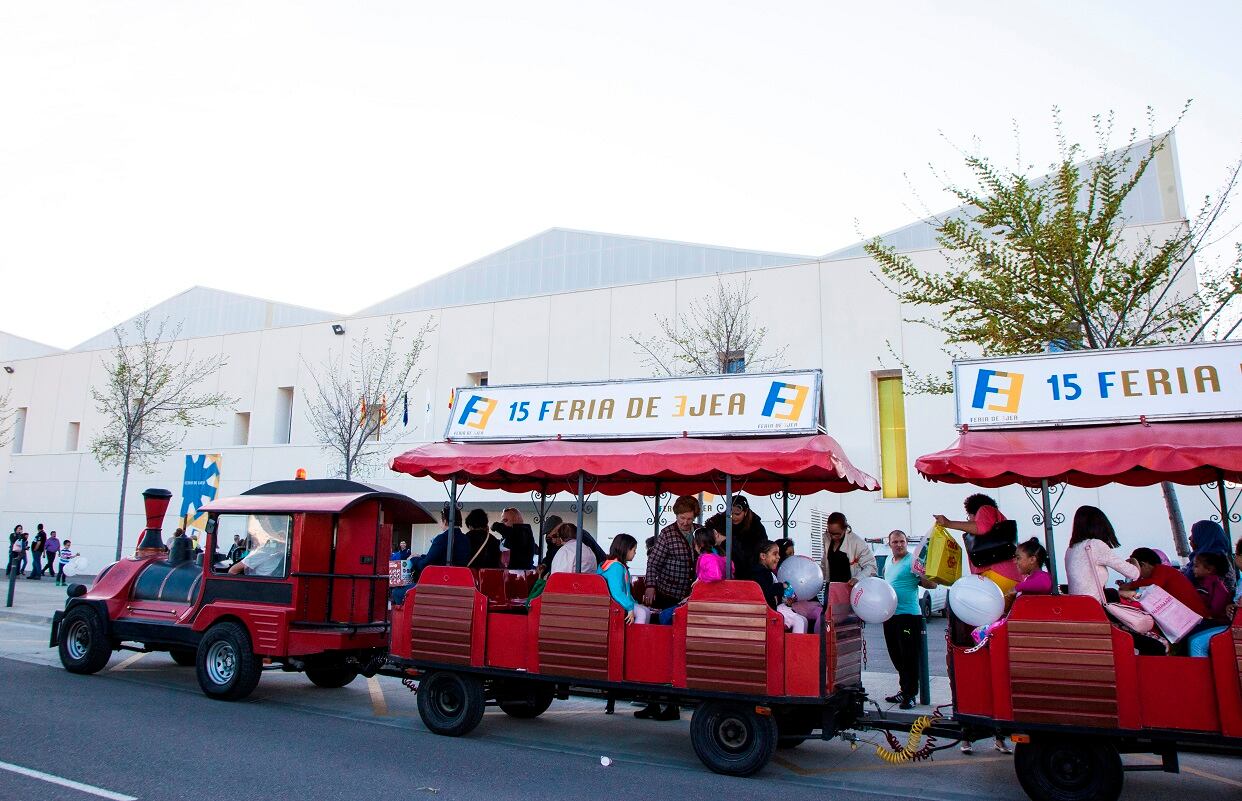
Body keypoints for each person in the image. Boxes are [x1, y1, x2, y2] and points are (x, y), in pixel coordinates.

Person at [881, 530, 936, 710]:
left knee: (908, 656)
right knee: (895, 655)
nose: (899, 545)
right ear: (889, 544)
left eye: (902, 541)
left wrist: (922, 575)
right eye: (895, 542)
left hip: (908, 616)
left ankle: (910, 694)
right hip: (890, 615)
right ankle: (904, 690)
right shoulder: (889, 561)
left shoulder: (913, 561)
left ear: (906, 542)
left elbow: (931, 584)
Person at [934, 494, 1022, 596]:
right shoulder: (997, 518)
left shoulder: (985, 509)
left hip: (998, 575)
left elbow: (982, 527)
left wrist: (948, 523)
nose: (969, 519)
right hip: (1006, 576)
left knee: (991, 611)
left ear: (974, 511)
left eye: (969, 515)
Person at [1064, 506, 1138, 603]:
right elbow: (1133, 574)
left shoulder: (1070, 549)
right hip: (1094, 607)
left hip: (1078, 606)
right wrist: (1135, 561)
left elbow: (1087, 587)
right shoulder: (1094, 545)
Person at [643, 495, 699, 609]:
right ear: (676, 515)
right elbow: (653, 563)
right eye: (682, 518)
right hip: (669, 594)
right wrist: (650, 586)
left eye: (689, 519)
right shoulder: (667, 534)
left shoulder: (699, 531)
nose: (685, 522)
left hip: (694, 594)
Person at [1118, 547, 1208, 618]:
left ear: (1143, 565)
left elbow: (1154, 583)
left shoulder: (1162, 570)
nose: (1139, 575)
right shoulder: (1161, 572)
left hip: (1196, 615)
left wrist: (1130, 585)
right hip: (1188, 615)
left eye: (1137, 569)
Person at [749, 541, 808, 634]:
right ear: (763, 556)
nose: (778, 557)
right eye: (774, 554)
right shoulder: (759, 573)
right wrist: (782, 586)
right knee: (799, 621)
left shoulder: (766, 572)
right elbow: (765, 591)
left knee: (802, 620)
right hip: (766, 614)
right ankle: (796, 648)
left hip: (771, 611)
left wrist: (786, 598)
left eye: (778, 554)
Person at [705, 495, 768, 577]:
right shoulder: (718, 521)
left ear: (745, 512)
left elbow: (763, 548)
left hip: (749, 570)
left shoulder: (756, 527)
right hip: (724, 569)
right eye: (731, 514)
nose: (734, 517)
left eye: (737, 514)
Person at [599, 534, 651, 624]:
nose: (635, 553)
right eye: (634, 550)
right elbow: (617, 592)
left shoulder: (614, 565)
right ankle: (636, 637)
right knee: (642, 613)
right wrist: (629, 607)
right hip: (615, 604)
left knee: (645, 610)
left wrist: (633, 603)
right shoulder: (616, 567)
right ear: (625, 549)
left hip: (617, 602)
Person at [410, 505, 472, 578]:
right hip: (460, 579)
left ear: (445, 521)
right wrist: (421, 556)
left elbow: (424, 564)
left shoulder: (442, 538)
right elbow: (441, 557)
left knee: (400, 590)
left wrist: (413, 559)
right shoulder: (465, 539)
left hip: (442, 579)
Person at [1183, 520, 1238, 597]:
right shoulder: (1208, 558)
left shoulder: (1212, 562)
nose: (1190, 538)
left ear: (1204, 537)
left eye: (1193, 534)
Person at [821, 512, 876, 586]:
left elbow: (871, 567)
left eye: (837, 534)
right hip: (830, 587)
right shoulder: (826, 538)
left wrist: (857, 578)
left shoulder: (857, 542)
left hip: (850, 587)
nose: (833, 537)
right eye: (830, 533)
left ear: (845, 529)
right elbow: (825, 563)